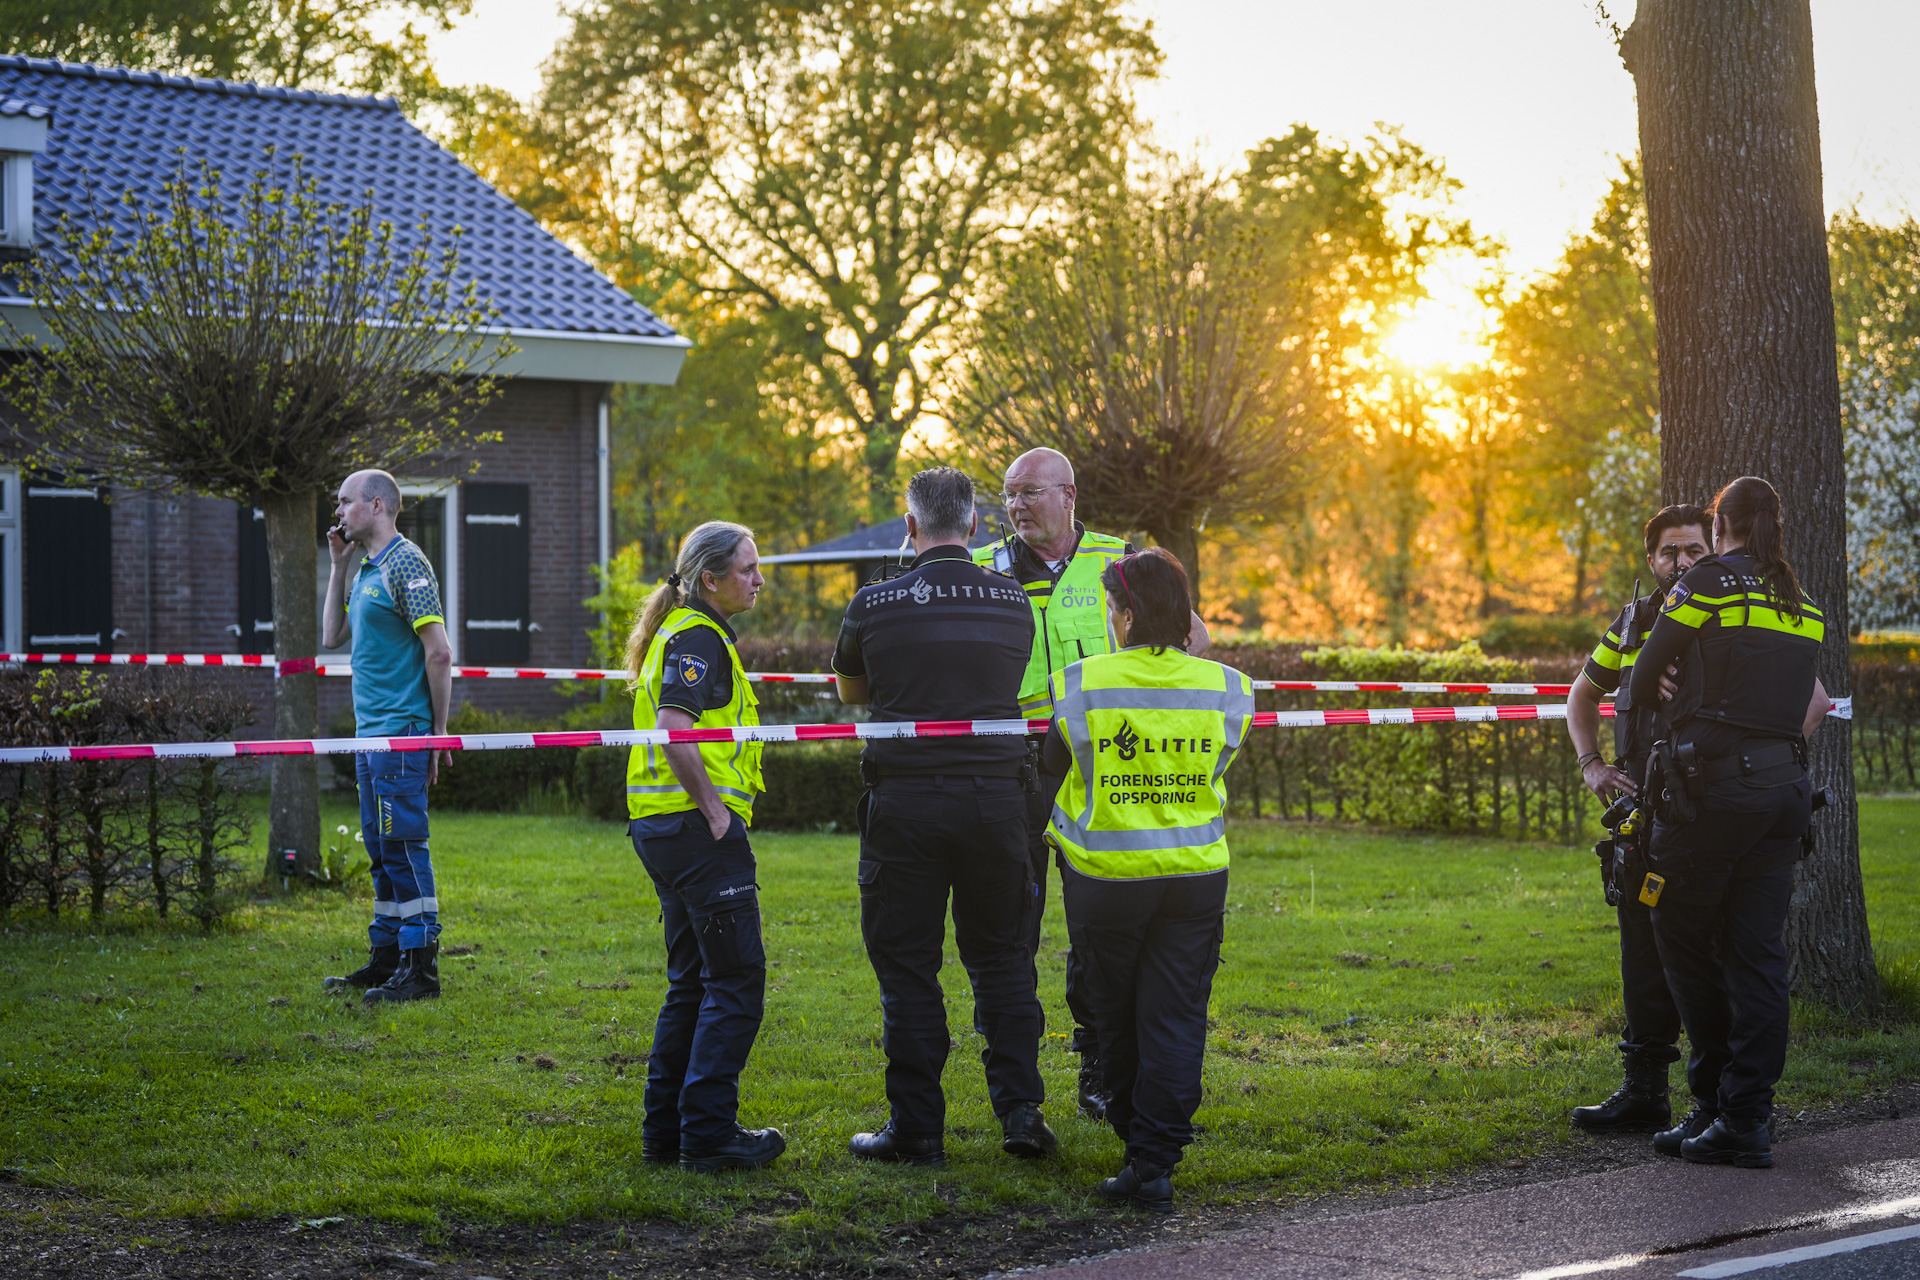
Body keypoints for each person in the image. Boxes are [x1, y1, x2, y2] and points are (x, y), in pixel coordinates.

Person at [975, 447, 1208, 1120]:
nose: (1016, 506)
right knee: (1011, 926)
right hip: (1013, 764)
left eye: (1030, 493)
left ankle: (1099, 1066)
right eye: (1009, 496)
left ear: (1069, 494)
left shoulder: (1123, 560)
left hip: (1099, 764)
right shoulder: (985, 570)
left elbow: (1193, 639)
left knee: (1098, 926)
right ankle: (1016, 1087)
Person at [833, 466, 1053, 1167]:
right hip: (997, 803)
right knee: (1004, 961)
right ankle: (1021, 1114)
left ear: (910, 526)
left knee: (908, 968)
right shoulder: (1013, 601)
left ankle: (917, 1127)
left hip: (907, 805)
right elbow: (1011, 681)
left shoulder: (873, 602)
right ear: (976, 526)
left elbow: (851, 692)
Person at [1040, 547, 1253, 1213]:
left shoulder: (1082, 682)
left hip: (1107, 879)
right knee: (1177, 1015)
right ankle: (1156, 1159)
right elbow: (1215, 765)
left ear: (1126, 614)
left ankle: (1139, 1148)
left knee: (1117, 1016)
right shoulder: (1228, 687)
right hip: (1194, 877)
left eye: (1112, 608)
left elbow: (1052, 767)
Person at [1628, 476, 1832, 1169]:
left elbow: (1642, 674)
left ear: (1719, 525)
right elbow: (1813, 701)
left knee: (1678, 933)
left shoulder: (1709, 583)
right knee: (1758, 956)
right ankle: (1746, 1118)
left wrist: (1663, 677)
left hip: (1710, 792)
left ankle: (1714, 1100)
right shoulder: (1802, 604)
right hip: (1784, 794)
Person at [624, 521, 786, 1173]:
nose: (758, 578)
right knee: (737, 981)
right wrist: (718, 814)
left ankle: (666, 1135)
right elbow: (674, 729)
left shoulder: (689, 630)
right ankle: (710, 1136)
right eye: (748, 567)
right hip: (697, 836)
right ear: (711, 578)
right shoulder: (698, 636)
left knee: (691, 983)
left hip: (664, 830)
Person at [1563, 504, 1709, 1133]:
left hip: (1708, 817)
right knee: (1642, 957)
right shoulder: (1633, 622)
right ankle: (1644, 1091)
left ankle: (1723, 1102)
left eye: (1694, 551)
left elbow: (1807, 700)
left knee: (1709, 957)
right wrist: (1592, 764)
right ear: (1651, 560)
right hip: (1640, 819)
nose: (1681, 562)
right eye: (1670, 552)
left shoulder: (1728, 617)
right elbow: (1581, 695)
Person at [320, 470, 453, 1005]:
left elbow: (439, 652)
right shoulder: (367, 568)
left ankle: (421, 969)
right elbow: (330, 636)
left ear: (377, 506)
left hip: (402, 732)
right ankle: (388, 959)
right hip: (369, 736)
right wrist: (337, 566)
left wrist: (438, 733)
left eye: (346, 502)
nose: (338, 511)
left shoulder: (405, 562)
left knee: (402, 847)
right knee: (379, 849)